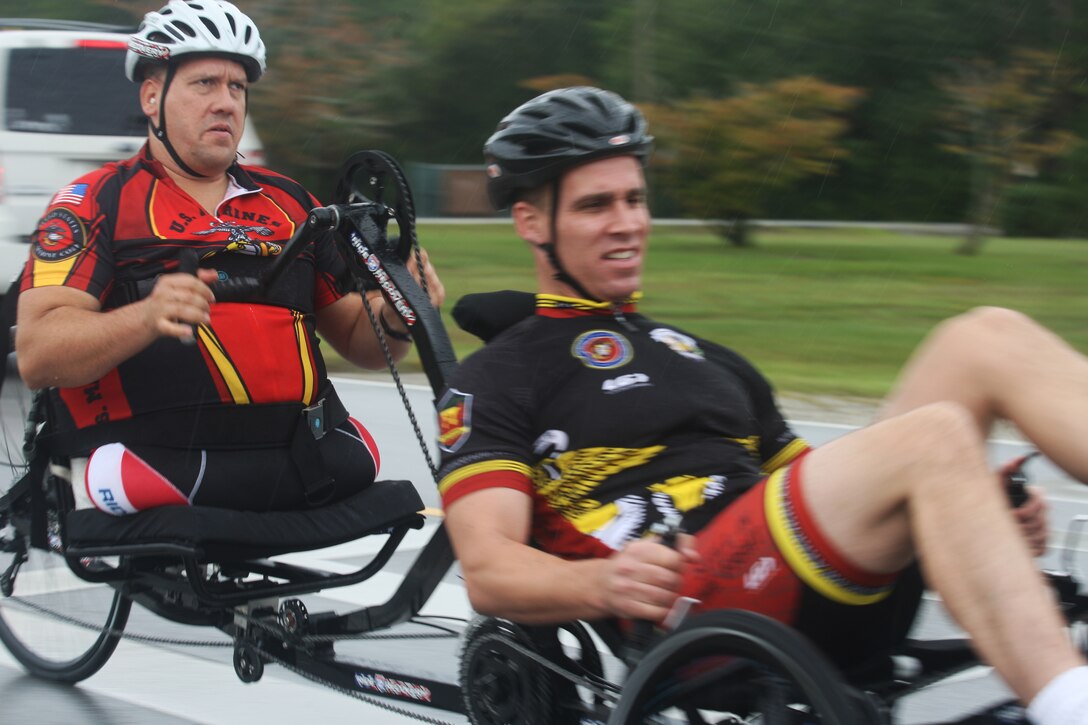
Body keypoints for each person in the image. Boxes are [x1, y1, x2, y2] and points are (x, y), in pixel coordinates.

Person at [437, 86, 1088, 724]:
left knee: (984, 338)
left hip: (787, 569)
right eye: (595, 205)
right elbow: (490, 569)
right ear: (531, 222)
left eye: (636, 199)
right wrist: (599, 586)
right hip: (687, 596)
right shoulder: (499, 374)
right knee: (934, 437)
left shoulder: (707, 356)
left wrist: (977, 509)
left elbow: (829, 500)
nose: (628, 222)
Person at [15, 0, 443, 516]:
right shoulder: (95, 201)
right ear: (152, 96)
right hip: (157, 460)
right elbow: (39, 355)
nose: (225, 103)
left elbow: (360, 342)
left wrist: (398, 315)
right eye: (204, 84)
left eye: (236, 87)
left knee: (370, 464)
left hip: (306, 456)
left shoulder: (291, 203)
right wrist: (146, 317)